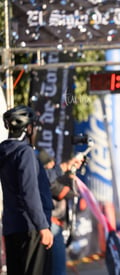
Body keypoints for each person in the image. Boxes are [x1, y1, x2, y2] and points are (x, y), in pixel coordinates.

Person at [0, 105, 54, 275]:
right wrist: (42, 226)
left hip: (11, 227)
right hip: (31, 228)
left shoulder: (4, 152)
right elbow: (29, 192)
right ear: (28, 128)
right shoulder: (25, 152)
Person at [38, 149, 82, 275]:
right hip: (52, 225)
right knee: (58, 270)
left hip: (47, 226)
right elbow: (65, 193)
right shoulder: (45, 180)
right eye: (51, 164)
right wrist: (73, 180)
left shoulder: (41, 179)